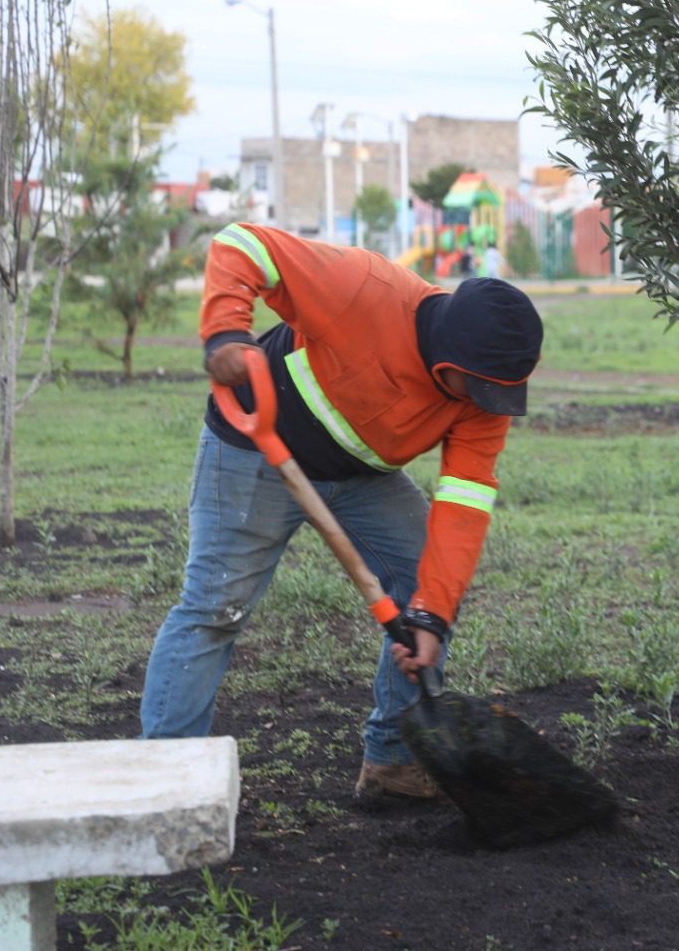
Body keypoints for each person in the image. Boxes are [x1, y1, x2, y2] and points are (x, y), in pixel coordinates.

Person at [140, 222, 543, 800]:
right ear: (450, 357)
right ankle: (164, 784)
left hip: (360, 474)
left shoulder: (484, 396)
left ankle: (394, 763)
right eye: (481, 387)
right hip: (255, 448)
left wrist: (429, 615)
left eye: (502, 392)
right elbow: (243, 243)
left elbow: (466, 499)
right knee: (214, 607)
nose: (489, 405)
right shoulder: (363, 288)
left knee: (424, 591)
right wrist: (225, 331)